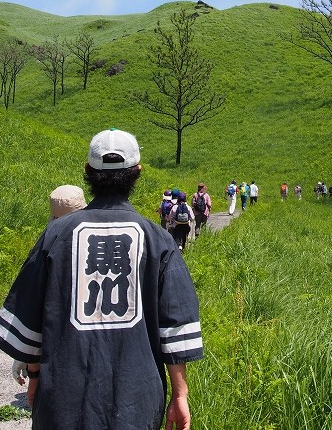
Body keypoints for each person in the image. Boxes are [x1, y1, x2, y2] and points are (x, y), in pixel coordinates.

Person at [0, 128, 203, 430]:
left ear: (88, 171)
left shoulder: (55, 236)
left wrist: (35, 378)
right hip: (137, 401)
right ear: (137, 172)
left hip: (62, 402)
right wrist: (180, 394)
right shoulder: (158, 240)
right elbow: (174, 328)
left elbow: (30, 325)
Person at [12, 184, 87, 386]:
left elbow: (33, 304)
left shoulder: (47, 243)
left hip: (56, 342)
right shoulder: (98, 239)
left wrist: (25, 355)